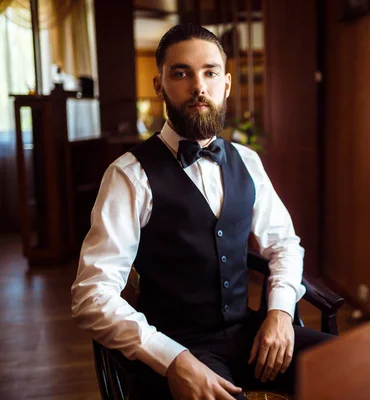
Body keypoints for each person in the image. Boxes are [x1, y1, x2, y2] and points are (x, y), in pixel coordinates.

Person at [71, 23, 332, 400]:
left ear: (225, 84)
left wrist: (278, 312)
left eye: (210, 73)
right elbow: (91, 294)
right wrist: (172, 358)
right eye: (182, 73)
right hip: (177, 349)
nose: (199, 86)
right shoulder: (128, 174)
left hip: (251, 334)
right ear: (159, 86)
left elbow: (284, 245)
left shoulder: (248, 161)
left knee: (352, 369)